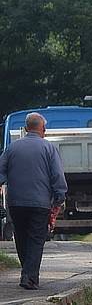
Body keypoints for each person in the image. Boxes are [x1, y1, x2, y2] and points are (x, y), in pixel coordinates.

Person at [0, 112, 67, 290]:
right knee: (36, 240)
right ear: (42, 129)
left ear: (26, 128)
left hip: (16, 203)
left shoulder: (12, 148)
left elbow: (0, 172)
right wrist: (59, 197)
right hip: (40, 203)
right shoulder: (49, 149)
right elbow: (57, 175)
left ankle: (27, 272)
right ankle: (29, 277)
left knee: (21, 238)